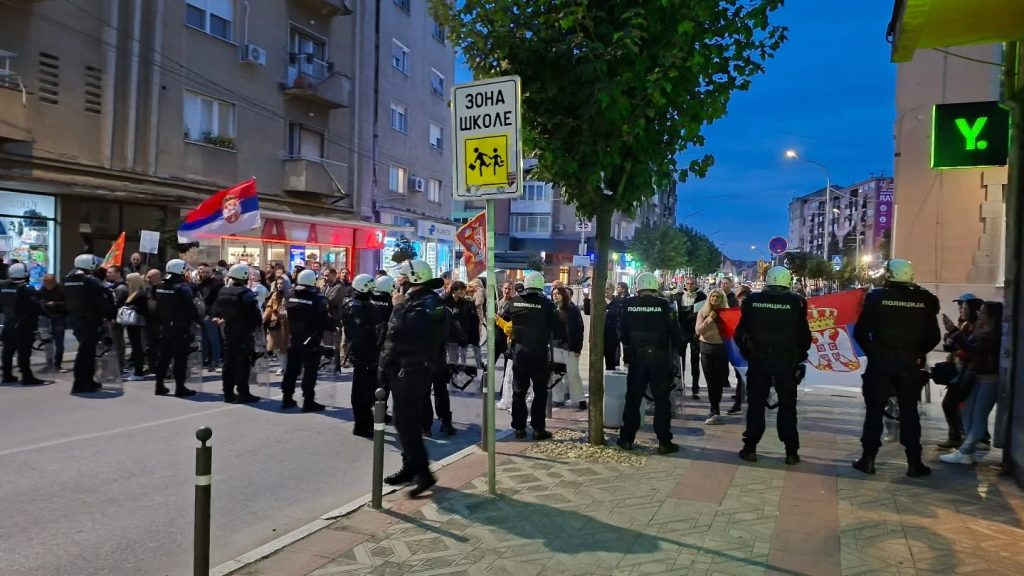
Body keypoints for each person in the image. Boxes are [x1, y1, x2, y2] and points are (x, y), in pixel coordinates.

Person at [852, 259, 940, 477]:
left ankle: (868, 459)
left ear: (888, 275)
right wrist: (918, 353)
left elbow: (860, 333)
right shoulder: (925, 299)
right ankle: (914, 462)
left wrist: (874, 353)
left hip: (880, 363)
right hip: (909, 365)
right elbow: (934, 336)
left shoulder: (876, 297)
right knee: (909, 412)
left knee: (874, 411)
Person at [381, 259, 449, 498]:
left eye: (402, 276)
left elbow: (410, 331)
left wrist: (399, 307)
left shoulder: (428, 302)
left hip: (413, 369)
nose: (398, 280)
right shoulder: (415, 298)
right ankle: (410, 468)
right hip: (402, 367)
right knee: (405, 421)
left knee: (405, 423)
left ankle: (423, 473)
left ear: (414, 278)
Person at [734, 267, 811, 465]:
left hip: (759, 361)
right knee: (787, 407)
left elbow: (739, 333)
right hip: (785, 363)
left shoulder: (752, 300)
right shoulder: (797, 302)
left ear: (767, 280)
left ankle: (750, 448)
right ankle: (791, 452)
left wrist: (748, 353)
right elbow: (804, 337)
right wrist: (797, 357)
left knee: (755, 406)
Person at [616, 272, 683, 454]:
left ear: (637, 287)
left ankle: (627, 439)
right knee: (661, 401)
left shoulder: (628, 304)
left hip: (636, 359)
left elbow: (621, 331)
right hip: (659, 360)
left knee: (633, 399)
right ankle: (664, 442)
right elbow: (675, 333)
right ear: (655, 287)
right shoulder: (665, 305)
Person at [940, 300, 1003, 465]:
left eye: (983, 312)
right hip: (975, 376)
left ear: (991, 317)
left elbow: (973, 349)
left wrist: (953, 331)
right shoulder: (977, 329)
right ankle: (968, 450)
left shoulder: (993, 334)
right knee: (966, 410)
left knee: (979, 415)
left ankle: (966, 450)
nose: (979, 315)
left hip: (990, 379)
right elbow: (966, 346)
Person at [502, 271, 564, 440]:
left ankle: (519, 428)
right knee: (540, 392)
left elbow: (505, 318)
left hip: (519, 352)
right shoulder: (548, 305)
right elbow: (558, 329)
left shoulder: (514, 302)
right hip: (539, 353)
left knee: (519, 391)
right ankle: (538, 429)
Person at [280, 269, 334, 412]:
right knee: (310, 372)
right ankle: (308, 401)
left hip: (295, 338)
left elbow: (283, 313)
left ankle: (287, 398)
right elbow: (326, 321)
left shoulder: (289, 295)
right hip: (312, 340)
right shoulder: (319, 299)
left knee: (291, 370)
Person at [937, 294, 983, 449]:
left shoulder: (978, 328)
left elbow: (970, 351)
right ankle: (959, 437)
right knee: (952, 405)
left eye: (964, 307)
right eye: (960, 307)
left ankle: (971, 440)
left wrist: (955, 340)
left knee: (962, 407)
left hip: (970, 373)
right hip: (961, 371)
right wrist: (950, 339)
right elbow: (955, 346)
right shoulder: (965, 325)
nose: (961, 310)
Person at [212, 263, 263, 404]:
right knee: (243, 363)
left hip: (228, 330)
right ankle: (243, 393)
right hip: (243, 332)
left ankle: (227, 392)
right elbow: (255, 314)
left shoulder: (223, 291)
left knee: (229, 363)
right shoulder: (246, 293)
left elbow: (217, 308)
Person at [64, 254, 116, 393]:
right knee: (87, 353)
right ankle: (82, 383)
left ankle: (86, 381)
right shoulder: (90, 279)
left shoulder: (68, 278)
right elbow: (104, 296)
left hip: (75, 319)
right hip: (90, 319)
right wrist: (109, 314)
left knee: (85, 351)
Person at [153, 259, 201, 397]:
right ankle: (180, 387)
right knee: (180, 358)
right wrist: (199, 321)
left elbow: (157, 306)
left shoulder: (160, 285)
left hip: (164, 326)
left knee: (164, 357)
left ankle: (159, 385)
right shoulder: (182, 288)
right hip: (180, 328)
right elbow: (190, 308)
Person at [342, 274, 380, 437]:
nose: (373, 292)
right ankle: (361, 423)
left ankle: (364, 420)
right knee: (362, 392)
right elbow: (365, 332)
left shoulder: (351, 304)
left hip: (362, 352)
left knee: (365, 390)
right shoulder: (362, 307)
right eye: (370, 289)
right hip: (365, 353)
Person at [1, 262, 44, 385]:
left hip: (9, 322)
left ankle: (7, 374)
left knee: (8, 350)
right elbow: (35, 307)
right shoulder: (27, 289)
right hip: (24, 325)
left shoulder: (3, 286)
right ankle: (26, 376)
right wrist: (49, 315)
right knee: (24, 351)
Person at [695, 289, 731, 424]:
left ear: (722, 299)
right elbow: (698, 330)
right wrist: (710, 319)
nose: (715, 299)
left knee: (720, 380)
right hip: (707, 349)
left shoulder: (727, 313)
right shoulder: (703, 312)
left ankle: (715, 407)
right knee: (711, 382)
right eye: (712, 296)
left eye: (718, 297)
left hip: (722, 349)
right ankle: (714, 409)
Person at [673, 277, 706, 400]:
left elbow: (702, 314)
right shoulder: (678, 296)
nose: (690, 286)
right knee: (679, 361)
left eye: (692, 284)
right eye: (688, 284)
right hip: (681, 331)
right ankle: (679, 386)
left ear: (696, 284)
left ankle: (695, 389)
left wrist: (699, 331)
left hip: (694, 332)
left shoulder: (701, 296)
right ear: (685, 284)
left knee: (695, 361)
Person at [552, 286, 586, 409]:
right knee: (555, 373)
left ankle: (580, 399)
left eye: (558, 293)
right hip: (555, 345)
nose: (555, 296)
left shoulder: (572, 309)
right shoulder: (552, 309)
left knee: (573, 373)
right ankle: (557, 398)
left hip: (569, 346)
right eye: (553, 294)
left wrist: (578, 348)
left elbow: (579, 329)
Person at [727, 286, 754, 416]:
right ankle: (739, 402)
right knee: (741, 376)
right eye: (740, 298)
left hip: (750, 349)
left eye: (744, 297)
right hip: (741, 348)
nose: (742, 300)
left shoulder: (752, 313)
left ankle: (741, 402)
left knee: (749, 376)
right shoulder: (736, 312)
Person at [121, 273, 150, 381]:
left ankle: (139, 372)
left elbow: (144, 309)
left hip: (137, 323)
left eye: (128, 280)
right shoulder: (133, 293)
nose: (126, 282)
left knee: (137, 347)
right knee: (135, 347)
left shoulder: (141, 294)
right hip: (131, 323)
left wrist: (132, 308)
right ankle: (137, 371)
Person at [38, 273, 68, 373]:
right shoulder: (43, 289)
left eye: (50, 284)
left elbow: (67, 303)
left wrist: (55, 303)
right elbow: (39, 300)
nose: (48, 286)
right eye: (46, 284)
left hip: (59, 316)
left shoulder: (61, 289)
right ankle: (49, 363)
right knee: (47, 341)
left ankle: (57, 364)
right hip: (47, 316)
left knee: (59, 341)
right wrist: (42, 304)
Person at [196, 263, 223, 371]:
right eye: (203, 272)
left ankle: (215, 361)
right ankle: (204, 361)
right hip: (201, 315)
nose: (204, 274)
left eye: (207, 272)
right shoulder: (199, 285)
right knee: (203, 340)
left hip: (210, 315)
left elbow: (217, 302)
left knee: (213, 340)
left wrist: (213, 315)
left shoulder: (215, 285)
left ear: (211, 273)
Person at [264, 279, 291, 375]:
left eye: (281, 283)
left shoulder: (290, 295)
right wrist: (265, 316)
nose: (279, 285)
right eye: (278, 283)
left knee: (284, 346)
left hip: (286, 324)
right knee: (275, 346)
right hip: (275, 323)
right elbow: (269, 307)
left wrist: (286, 313)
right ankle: (282, 366)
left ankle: (285, 367)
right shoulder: (275, 295)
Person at [107, 265, 130, 374]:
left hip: (117, 319)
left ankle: (119, 366)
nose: (108, 274)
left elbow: (116, 305)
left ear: (118, 273)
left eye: (110, 272)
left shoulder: (121, 288)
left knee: (117, 343)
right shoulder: (113, 286)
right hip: (114, 319)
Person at [143, 269, 163, 374]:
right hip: (149, 321)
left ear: (157, 277)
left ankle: (161, 366)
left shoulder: (163, 288)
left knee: (161, 345)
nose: (148, 279)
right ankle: (151, 366)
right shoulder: (147, 289)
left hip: (161, 321)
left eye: (150, 277)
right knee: (149, 345)